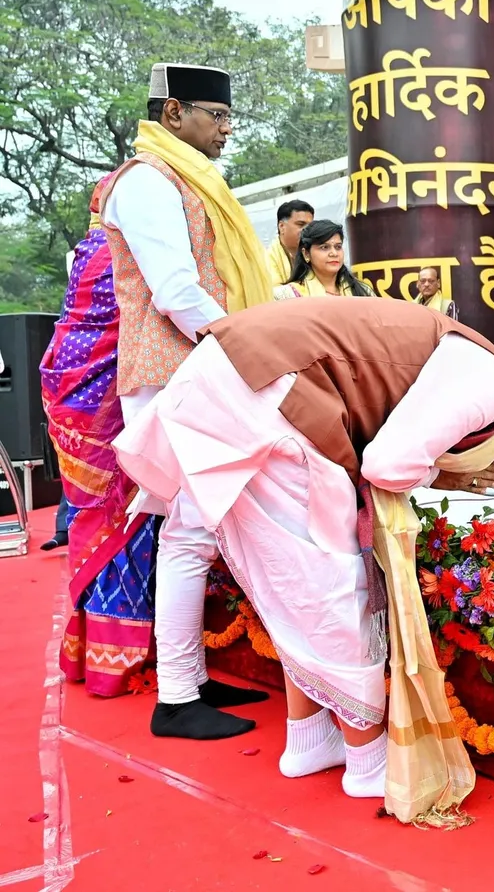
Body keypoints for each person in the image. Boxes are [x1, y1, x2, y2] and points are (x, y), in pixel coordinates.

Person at [113, 296, 494, 804]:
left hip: (240, 377)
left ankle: (308, 741)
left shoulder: (478, 359)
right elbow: (385, 464)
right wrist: (451, 474)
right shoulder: (492, 383)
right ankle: (366, 762)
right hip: (268, 389)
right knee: (331, 584)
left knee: (295, 589)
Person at [95, 62, 275, 739]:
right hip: (177, 372)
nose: (226, 130)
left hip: (199, 369)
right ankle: (175, 698)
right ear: (173, 115)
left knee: (200, 530)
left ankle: (191, 679)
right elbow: (175, 290)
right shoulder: (146, 181)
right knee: (192, 531)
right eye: (216, 116)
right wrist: (254, 346)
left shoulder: (187, 179)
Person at [39, 215, 159, 696]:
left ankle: (91, 656)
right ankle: (120, 662)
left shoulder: (87, 256)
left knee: (96, 523)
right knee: (125, 523)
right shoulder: (125, 254)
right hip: (108, 411)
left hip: (72, 406)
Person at [273, 220, 374, 299]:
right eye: (324, 247)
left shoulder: (363, 292)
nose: (334, 253)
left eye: (338, 247)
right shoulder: (288, 295)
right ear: (306, 253)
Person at [265, 199, 314, 285]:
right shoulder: (267, 259)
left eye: (310, 226)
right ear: (282, 226)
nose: (307, 230)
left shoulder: (314, 253)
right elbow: (275, 293)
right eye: (301, 224)